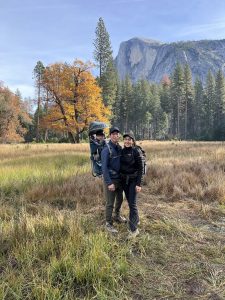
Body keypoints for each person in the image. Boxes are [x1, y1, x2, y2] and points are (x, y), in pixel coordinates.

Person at [101, 127, 126, 233]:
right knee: (110, 203)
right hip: (111, 180)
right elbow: (104, 168)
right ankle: (108, 223)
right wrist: (109, 182)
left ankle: (117, 216)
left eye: (117, 134)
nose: (116, 135)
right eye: (114, 134)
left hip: (119, 180)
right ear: (110, 136)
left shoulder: (119, 148)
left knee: (120, 199)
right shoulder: (106, 149)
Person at [120, 131, 143, 238]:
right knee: (130, 202)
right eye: (125, 139)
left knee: (132, 204)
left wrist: (139, 184)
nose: (127, 141)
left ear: (133, 141)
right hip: (125, 181)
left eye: (129, 139)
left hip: (134, 181)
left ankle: (134, 230)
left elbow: (140, 168)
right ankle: (136, 219)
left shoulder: (136, 151)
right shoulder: (122, 151)